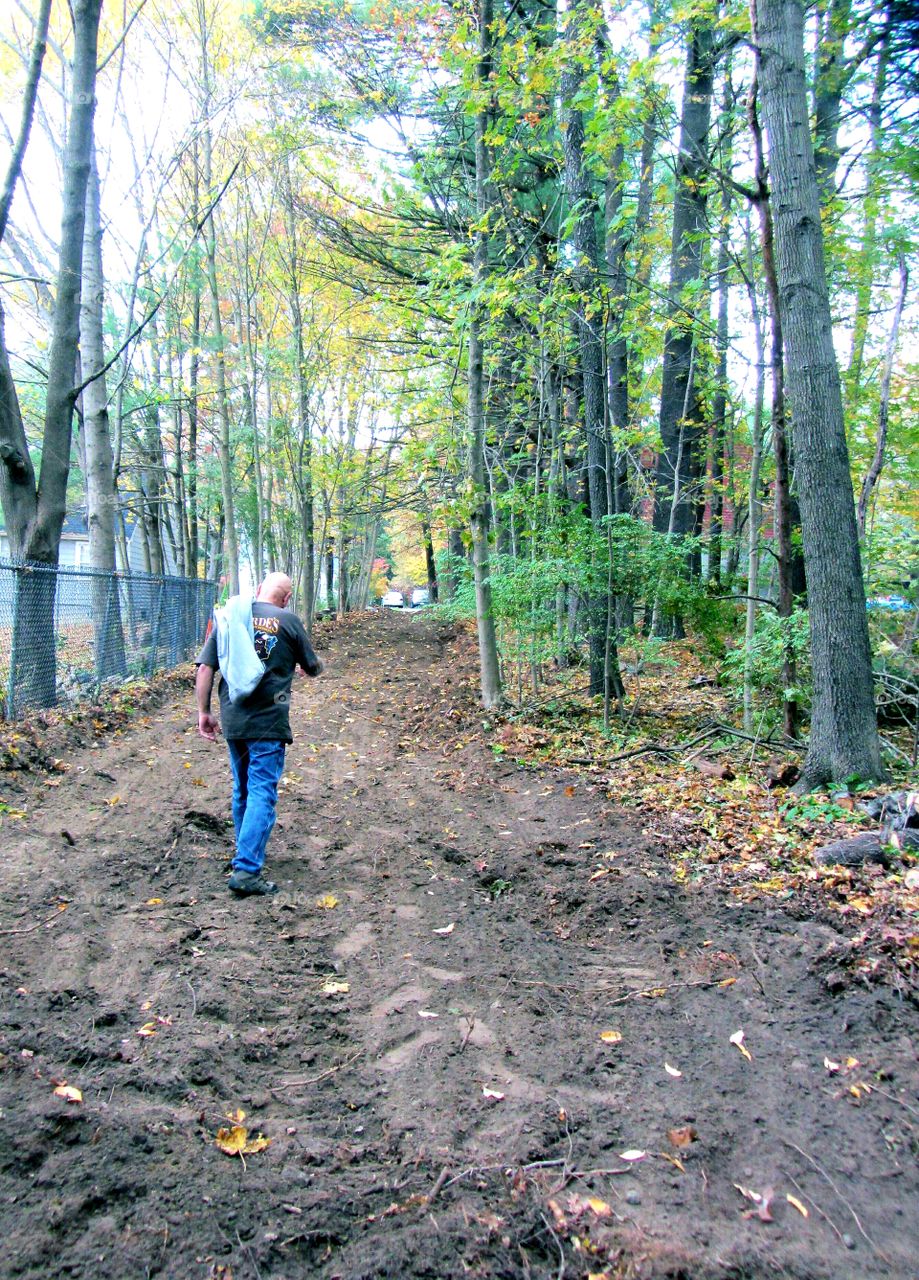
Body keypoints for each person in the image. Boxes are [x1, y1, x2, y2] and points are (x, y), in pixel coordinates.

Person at [195, 572, 323, 896]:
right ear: (287, 597)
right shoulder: (289, 621)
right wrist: (304, 664)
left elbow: (205, 668)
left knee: (242, 790)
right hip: (269, 721)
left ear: (257, 591)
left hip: (234, 719)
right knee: (262, 790)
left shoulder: (229, 616)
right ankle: (247, 870)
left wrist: (204, 712)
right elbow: (312, 666)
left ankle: (244, 855)